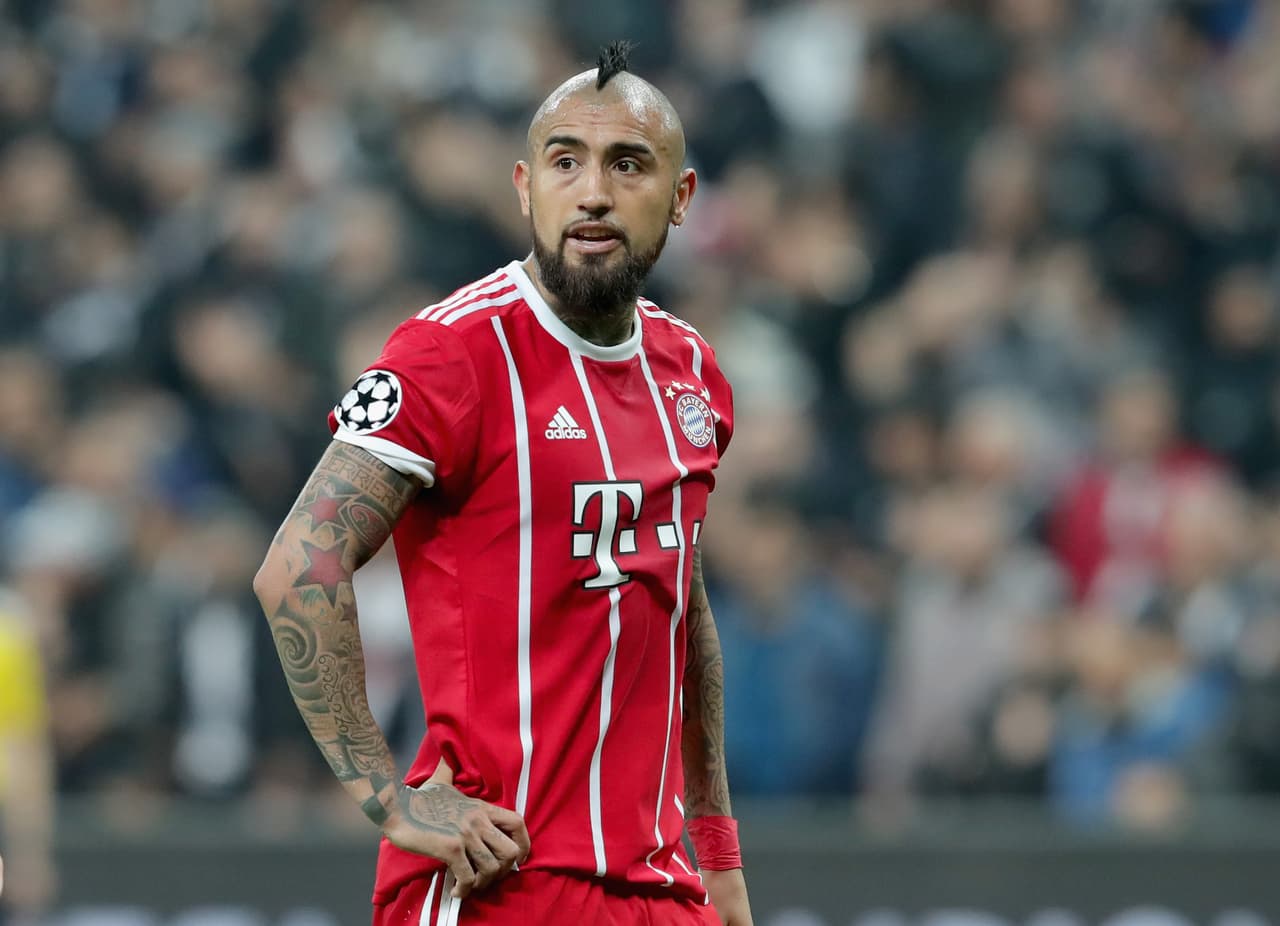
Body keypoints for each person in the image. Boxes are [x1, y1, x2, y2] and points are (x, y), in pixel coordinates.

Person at [253, 42, 753, 925]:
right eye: (566, 162)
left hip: (661, 892)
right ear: (525, 187)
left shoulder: (692, 374)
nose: (592, 191)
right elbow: (298, 566)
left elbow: (686, 615)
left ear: (680, 201)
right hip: (500, 879)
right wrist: (389, 799)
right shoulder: (453, 354)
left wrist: (718, 858)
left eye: (626, 164)